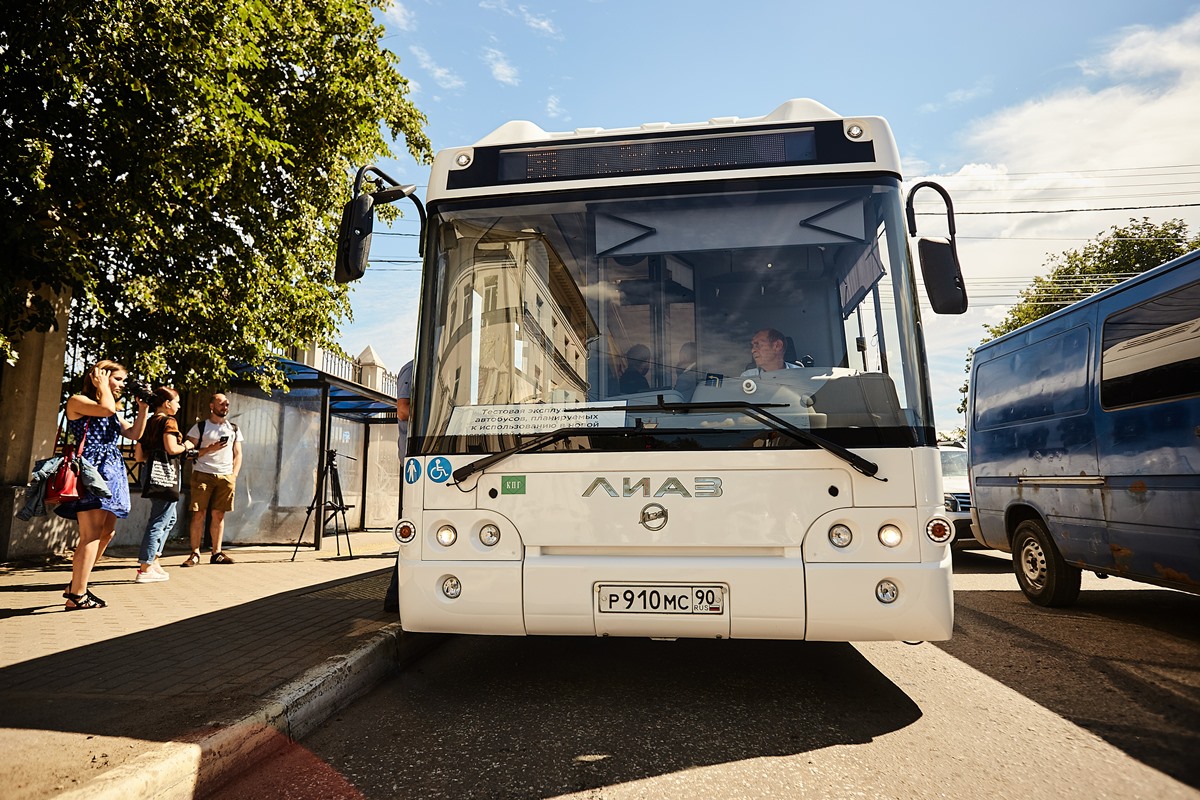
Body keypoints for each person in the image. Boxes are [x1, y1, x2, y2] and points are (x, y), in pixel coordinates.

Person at [60, 360, 150, 610]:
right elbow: (107, 409)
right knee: (90, 534)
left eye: (123, 380)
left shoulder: (109, 408)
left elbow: (133, 435)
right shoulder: (78, 401)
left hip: (112, 472)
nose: (122, 385)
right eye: (118, 379)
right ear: (99, 376)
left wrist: (142, 409)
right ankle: (77, 595)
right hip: (92, 471)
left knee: (107, 532)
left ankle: (76, 584)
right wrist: (102, 387)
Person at [135, 387, 197, 583]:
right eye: (177, 401)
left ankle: (154, 561)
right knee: (159, 519)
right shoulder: (168, 421)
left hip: (150, 471)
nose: (179, 406)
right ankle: (145, 566)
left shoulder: (148, 422)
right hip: (166, 473)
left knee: (169, 519)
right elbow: (172, 449)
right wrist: (187, 445)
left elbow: (139, 455)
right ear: (166, 403)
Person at [182, 392, 244, 566]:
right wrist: (210, 449)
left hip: (225, 476)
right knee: (198, 514)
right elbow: (189, 452)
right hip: (203, 473)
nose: (225, 407)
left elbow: (238, 453)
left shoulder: (233, 428)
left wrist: (234, 474)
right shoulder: (200, 427)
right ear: (212, 406)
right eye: (221, 404)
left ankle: (216, 552)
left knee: (218, 515)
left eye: (227, 404)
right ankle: (195, 553)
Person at [385, 360, 413, 613]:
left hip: (426, 462)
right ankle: (394, 597)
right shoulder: (411, 368)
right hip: (413, 465)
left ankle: (399, 595)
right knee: (410, 530)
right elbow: (403, 410)